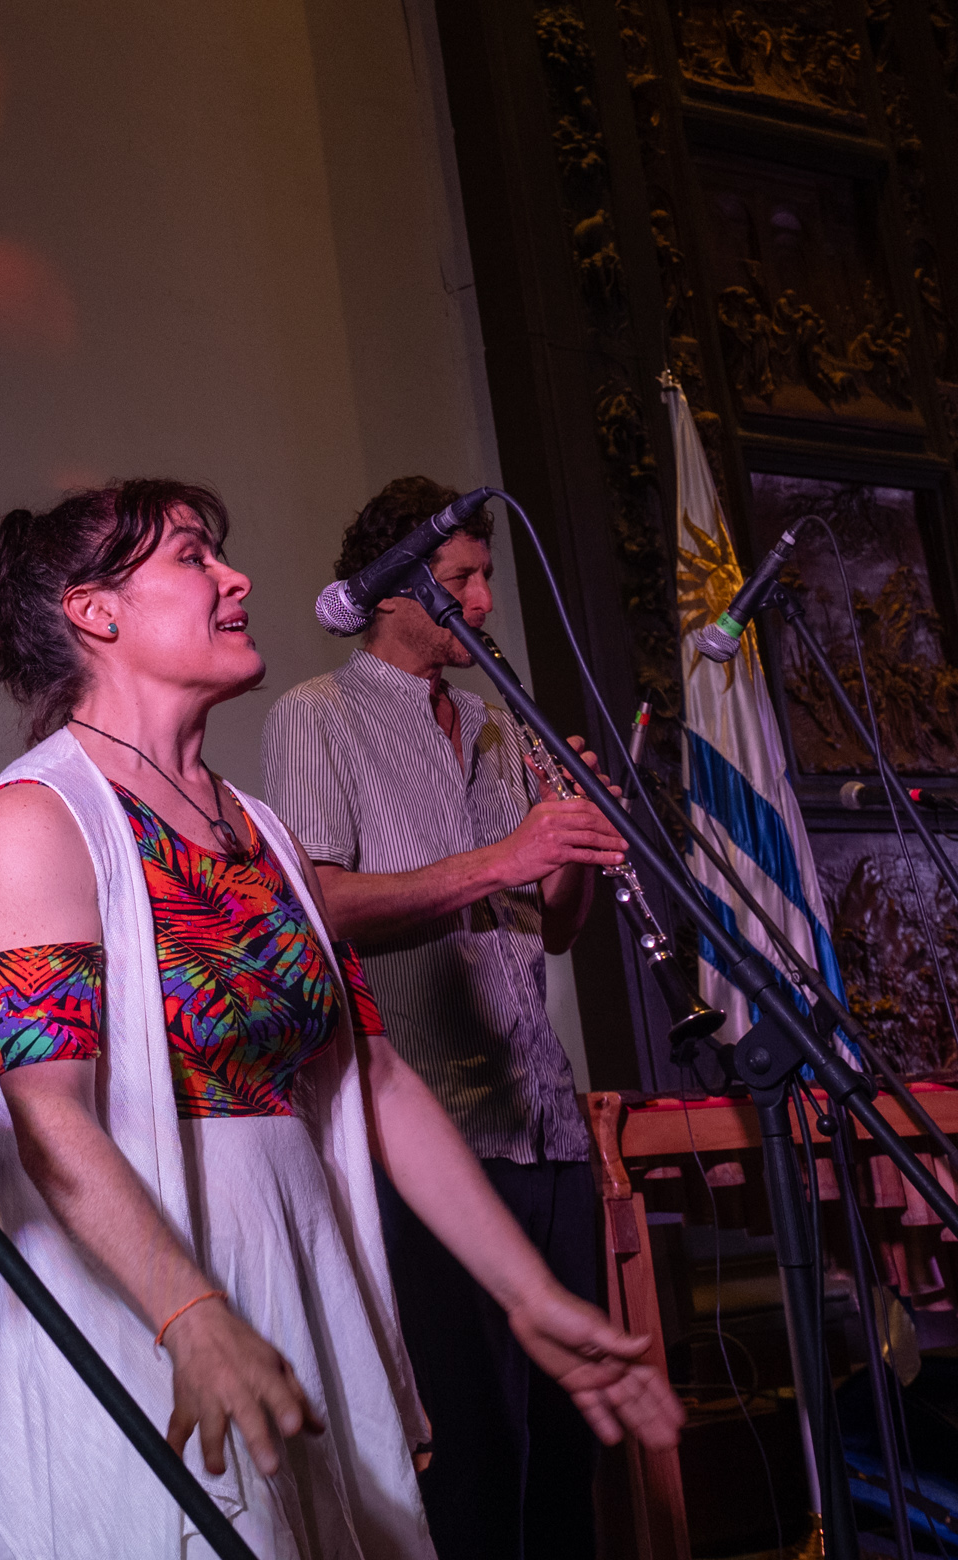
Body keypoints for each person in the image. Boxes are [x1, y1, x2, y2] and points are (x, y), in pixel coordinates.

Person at [0, 480, 675, 1559]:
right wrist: (188, 1310)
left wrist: (528, 1292)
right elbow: (47, 1115)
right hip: (148, 1288)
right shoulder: (34, 817)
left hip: (296, 1257)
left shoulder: (263, 829)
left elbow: (371, 1075)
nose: (236, 576)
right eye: (194, 557)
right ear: (95, 611)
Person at [260, 477, 627, 1560]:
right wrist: (507, 856)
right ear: (395, 590)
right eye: (461, 578)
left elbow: (551, 929)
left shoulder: (498, 726)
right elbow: (316, 904)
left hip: (545, 1120)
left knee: (567, 1450)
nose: (483, 599)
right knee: (474, 1450)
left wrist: (575, 842)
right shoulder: (317, 715)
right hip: (430, 1141)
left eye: (485, 577)